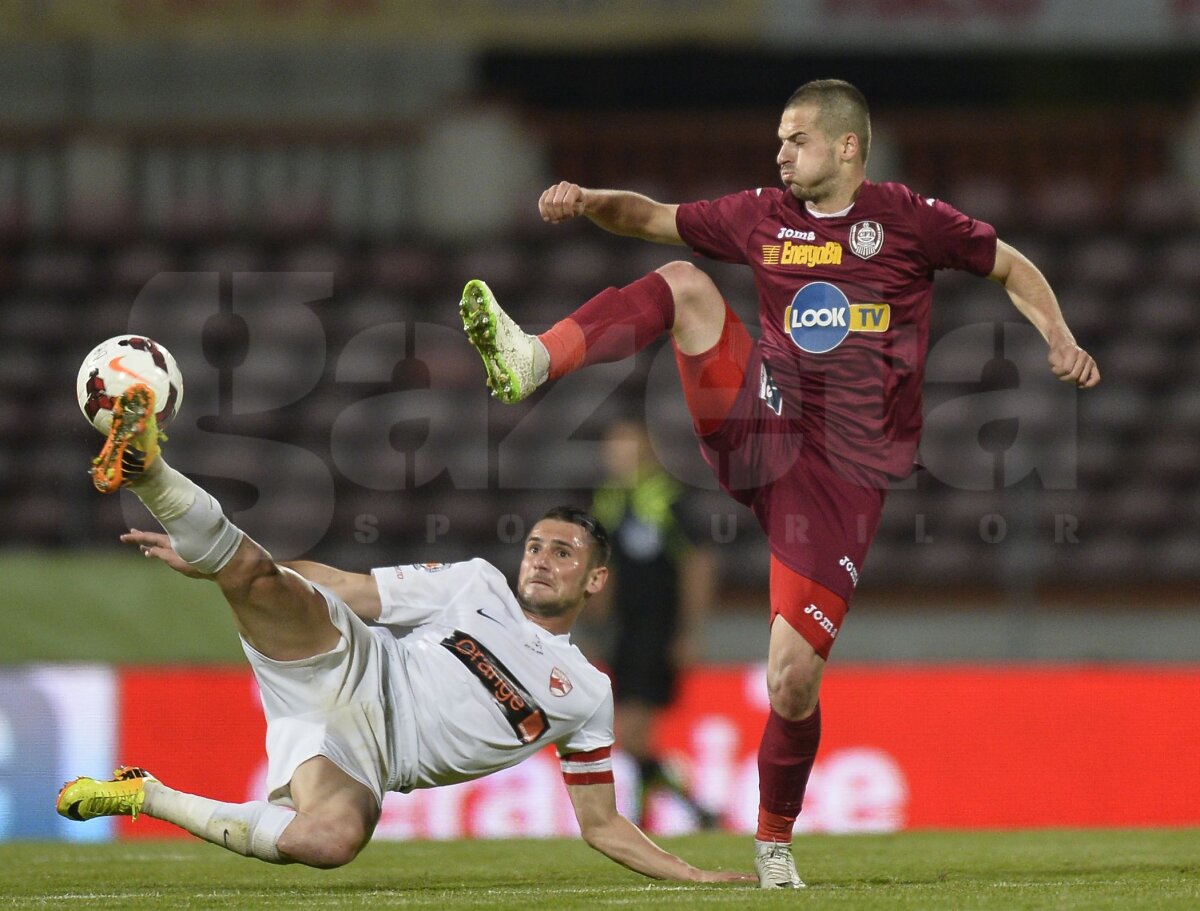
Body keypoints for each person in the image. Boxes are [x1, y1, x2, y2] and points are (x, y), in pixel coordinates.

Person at [458, 79, 1101, 889]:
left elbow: (1011, 265)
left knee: (791, 680)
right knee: (686, 283)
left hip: (842, 478)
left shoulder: (908, 219)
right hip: (764, 422)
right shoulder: (763, 215)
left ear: (845, 147)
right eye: (779, 139)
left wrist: (1059, 335)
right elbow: (654, 217)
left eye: (795, 139)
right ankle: (534, 357)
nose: (780, 153)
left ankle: (772, 843)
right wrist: (590, 199)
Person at [56, 384, 753, 885]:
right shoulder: (477, 583)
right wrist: (222, 568)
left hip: (366, 758)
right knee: (256, 575)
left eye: (562, 553)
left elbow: (601, 823)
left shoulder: (588, 695)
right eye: (536, 547)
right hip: (350, 666)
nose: (540, 560)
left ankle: (147, 792)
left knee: (327, 841)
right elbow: (355, 589)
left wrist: (693, 875)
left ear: (596, 580)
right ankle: (148, 467)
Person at [589, 419, 717, 830]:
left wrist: (687, 632)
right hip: (624, 631)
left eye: (626, 447)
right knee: (632, 736)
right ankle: (691, 811)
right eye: (614, 448)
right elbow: (601, 566)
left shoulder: (666, 499)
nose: (618, 456)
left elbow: (698, 564)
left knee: (633, 731)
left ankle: (646, 819)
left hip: (657, 628)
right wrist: (595, 623)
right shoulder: (608, 500)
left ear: (646, 450)